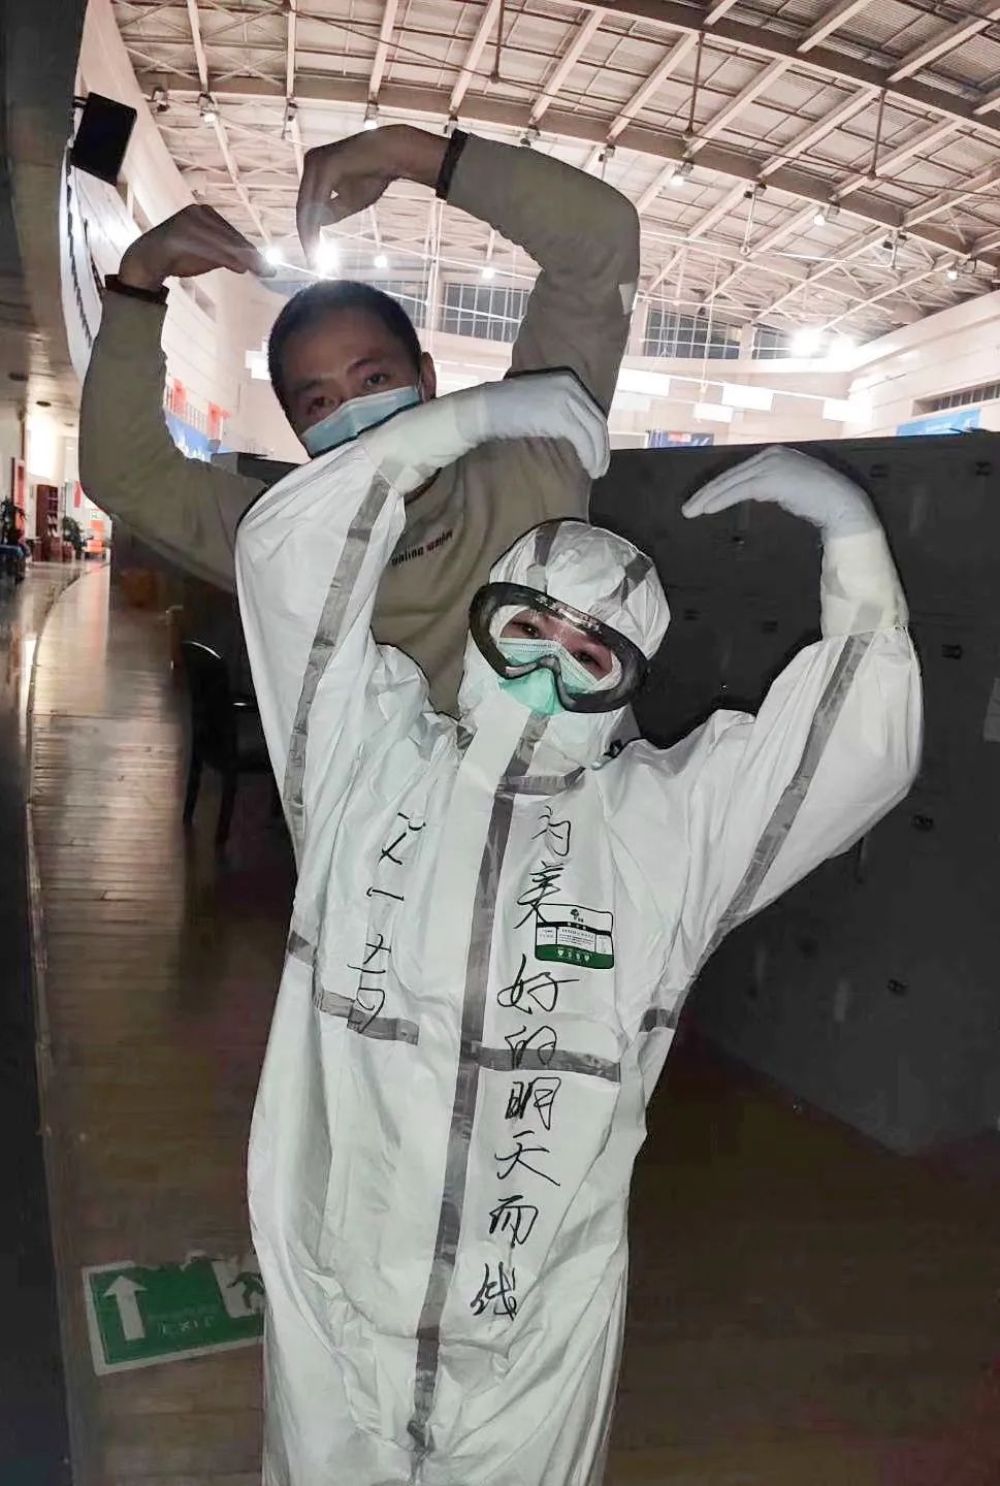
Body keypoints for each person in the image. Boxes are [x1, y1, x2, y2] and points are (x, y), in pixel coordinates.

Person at [235, 372, 923, 1484]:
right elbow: (284, 565)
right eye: (525, 628)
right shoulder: (363, 760)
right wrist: (445, 430)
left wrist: (853, 541)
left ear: (622, 682)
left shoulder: (662, 832)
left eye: (589, 655)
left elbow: (858, 752)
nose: (546, 670)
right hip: (335, 1286)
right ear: (483, 623)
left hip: (534, 1327)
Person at [79, 124, 640, 714]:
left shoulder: (529, 458)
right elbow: (124, 474)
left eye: (373, 380)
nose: (356, 416)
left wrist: (406, 153)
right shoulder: (291, 534)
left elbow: (600, 242)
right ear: (298, 432)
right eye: (319, 403)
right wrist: (139, 281)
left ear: (426, 379)